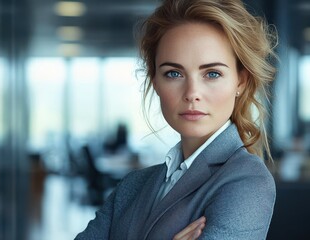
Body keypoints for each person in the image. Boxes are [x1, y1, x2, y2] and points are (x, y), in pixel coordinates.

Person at [76, 0, 277, 239]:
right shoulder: (132, 186)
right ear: (155, 82)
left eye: (212, 74)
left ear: (240, 82)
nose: (192, 93)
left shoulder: (247, 182)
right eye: (174, 73)